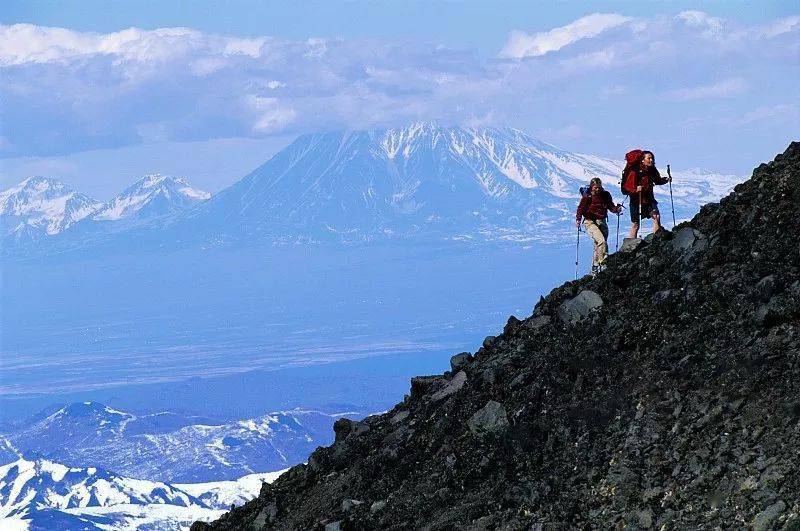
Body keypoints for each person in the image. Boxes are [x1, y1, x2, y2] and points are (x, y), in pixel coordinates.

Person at [575, 177, 622, 274]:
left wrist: (616, 209)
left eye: (599, 187)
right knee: (601, 241)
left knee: (598, 244)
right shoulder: (587, 197)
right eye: (595, 187)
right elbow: (580, 209)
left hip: (602, 221)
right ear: (591, 187)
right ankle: (603, 262)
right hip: (589, 221)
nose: (597, 189)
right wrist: (578, 220)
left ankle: (594, 267)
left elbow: (610, 206)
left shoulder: (605, 195)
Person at [622, 150, 671, 238]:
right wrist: (636, 189)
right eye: (649, 158)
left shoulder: (652, 170)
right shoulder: (634, 171)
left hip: (649, 199)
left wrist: (665, 180)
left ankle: (657, 239)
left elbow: (657, 180)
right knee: (635, 224)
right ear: (642, 160)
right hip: (636, 201)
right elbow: (627, 186)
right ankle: (630, 245)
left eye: (652, 158)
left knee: (656, 216)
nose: (651, 160)